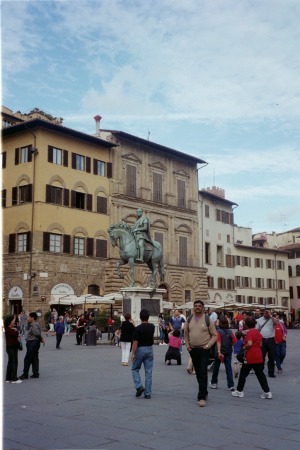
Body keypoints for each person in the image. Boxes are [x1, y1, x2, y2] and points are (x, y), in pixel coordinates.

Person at [184, 300, 217, 407]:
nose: (197, 307)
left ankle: (201, 397)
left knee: (202, 371)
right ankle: (205, 391)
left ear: (203, 308)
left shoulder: (208, 319)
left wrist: (208, 346)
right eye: (195, 306)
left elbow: (214, 335)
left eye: (199, 306)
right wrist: (188, 346)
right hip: (193, 349)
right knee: (198, 373)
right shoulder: (189, 319)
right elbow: (185, 334)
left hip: (204, 350)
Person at [232, 317, 273, 399]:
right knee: (260, 375)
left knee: (243, 374)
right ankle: (267, 392)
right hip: (258, 355)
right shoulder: (258, 333)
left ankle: (239, 391)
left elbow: (249, 343)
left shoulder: (250, 333)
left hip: (250, 356)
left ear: (246, 325)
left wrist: (244, 347)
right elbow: (260, 344)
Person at [131, 309, 155, 399]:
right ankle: (148, 393)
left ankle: (139, 386)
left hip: (140, 349)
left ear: (140, 317)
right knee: (148, 371)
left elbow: (135, 343)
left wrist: (133, 353)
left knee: (135, 369)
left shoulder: (137, 329)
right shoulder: (152, 327)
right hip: (149, 349)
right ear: (148, 317)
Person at [209, 316, 237, 391]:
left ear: (220, 323)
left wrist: (219, 351)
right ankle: (231, 385)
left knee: (216, 368)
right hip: (228, 351)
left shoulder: (218, 331)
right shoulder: (230, 331)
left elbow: (218, 341)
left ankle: (214, 382)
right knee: (228, 368)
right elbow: (234, 342)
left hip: (220, 352)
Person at [19, 312, 44, 380]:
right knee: (34, 358)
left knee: (27, 358)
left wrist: (40, 338)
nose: (28, 318)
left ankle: (25, 374)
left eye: (29, 317)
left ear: (32, 318)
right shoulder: (33, 324)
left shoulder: (34, 325)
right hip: (34, 342)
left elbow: (37, 333)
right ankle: (35, 373)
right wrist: (41, 339)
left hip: (33, 343)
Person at [255, 309, 278, 378]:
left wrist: (271, 316)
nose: (265, 315)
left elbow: (276, 323)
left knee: (271, 357)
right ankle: (260, 371)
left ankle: (271, 372)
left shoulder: (272, 319)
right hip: (262, 340)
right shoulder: (259, 320)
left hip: (271, 339)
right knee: (262, 356)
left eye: (267, 313)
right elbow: (257, 329)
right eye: (264, 313)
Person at [5, 315, 22, 383]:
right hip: (11, 347)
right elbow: (16, 334)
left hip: (12, 347)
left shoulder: (10, 329)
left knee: (11, 362)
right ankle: (13, 378)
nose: (14, 322)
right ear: (10, 322)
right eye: (13, 321)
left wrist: (16, 331)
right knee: (13, 362)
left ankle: (8, 378)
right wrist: (16, 331)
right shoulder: (9, 329)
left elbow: (16, 335)